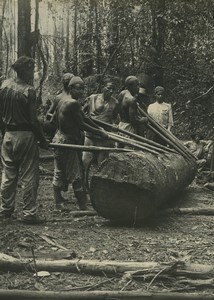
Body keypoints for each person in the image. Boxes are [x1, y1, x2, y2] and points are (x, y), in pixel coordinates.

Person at [0, 56, 49, 224]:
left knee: (8, 174)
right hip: (25, 136)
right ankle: (29, 214)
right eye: (32, 69)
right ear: (26, 70)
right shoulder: (29, 91)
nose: (33, 72)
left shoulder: (4, 86)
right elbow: (34, 121)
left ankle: (6, 211)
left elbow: (0, 115)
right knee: (29, 175)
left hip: (8, 135)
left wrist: (4, 132)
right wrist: (42, 140)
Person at [51, 76, 108, 210]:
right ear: (70, 88)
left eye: (83, 89)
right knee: (76, 173)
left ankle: (58, 202)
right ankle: (82, 205)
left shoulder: (62, 99)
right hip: (66, 142)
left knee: (59, 171)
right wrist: (99, 133)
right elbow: (81, 124)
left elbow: (84, 118)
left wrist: (99, 128)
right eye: (78, 89)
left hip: (59, 139)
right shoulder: (72, 103)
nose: (81, 92)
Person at [82, 79, 119, 171]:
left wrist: (115, 124)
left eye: (113, 89)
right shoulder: (92, 98)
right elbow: (82, 113)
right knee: (85, 162)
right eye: (109, 88)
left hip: (104, 136)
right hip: (90, 135)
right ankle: (84, 183)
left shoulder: (115, 103)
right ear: (103, 87)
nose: (111, 91)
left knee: (102, 165)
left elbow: (115, 118)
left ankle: (98, 183)